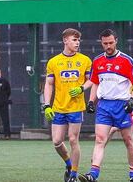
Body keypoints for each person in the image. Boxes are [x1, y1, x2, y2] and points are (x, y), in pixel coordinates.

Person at [79, 29, 133, 182]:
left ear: (116, 41)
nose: (108, 46)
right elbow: (95, 82)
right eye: (105, 43)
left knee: (128, 140)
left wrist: (132, 100)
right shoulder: (98, 61)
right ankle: (93, 175)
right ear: (101, 43)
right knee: (100, 139)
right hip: (104, 106)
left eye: (111, 42)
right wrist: (92, 101)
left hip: (122, 105)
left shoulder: (126, 60)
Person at [43, 28, 93, 182]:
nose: (77, 43)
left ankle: (73, 175)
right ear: (65, 41)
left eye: (78, 40)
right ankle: (69, 164)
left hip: (76, 107)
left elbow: (91, 80)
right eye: (74, 40)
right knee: (57, 141)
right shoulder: (54, 62)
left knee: (73, 139)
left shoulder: (85, 60)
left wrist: (81, 88)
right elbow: (49, 84)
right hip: (58, 107)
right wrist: (47, 105)